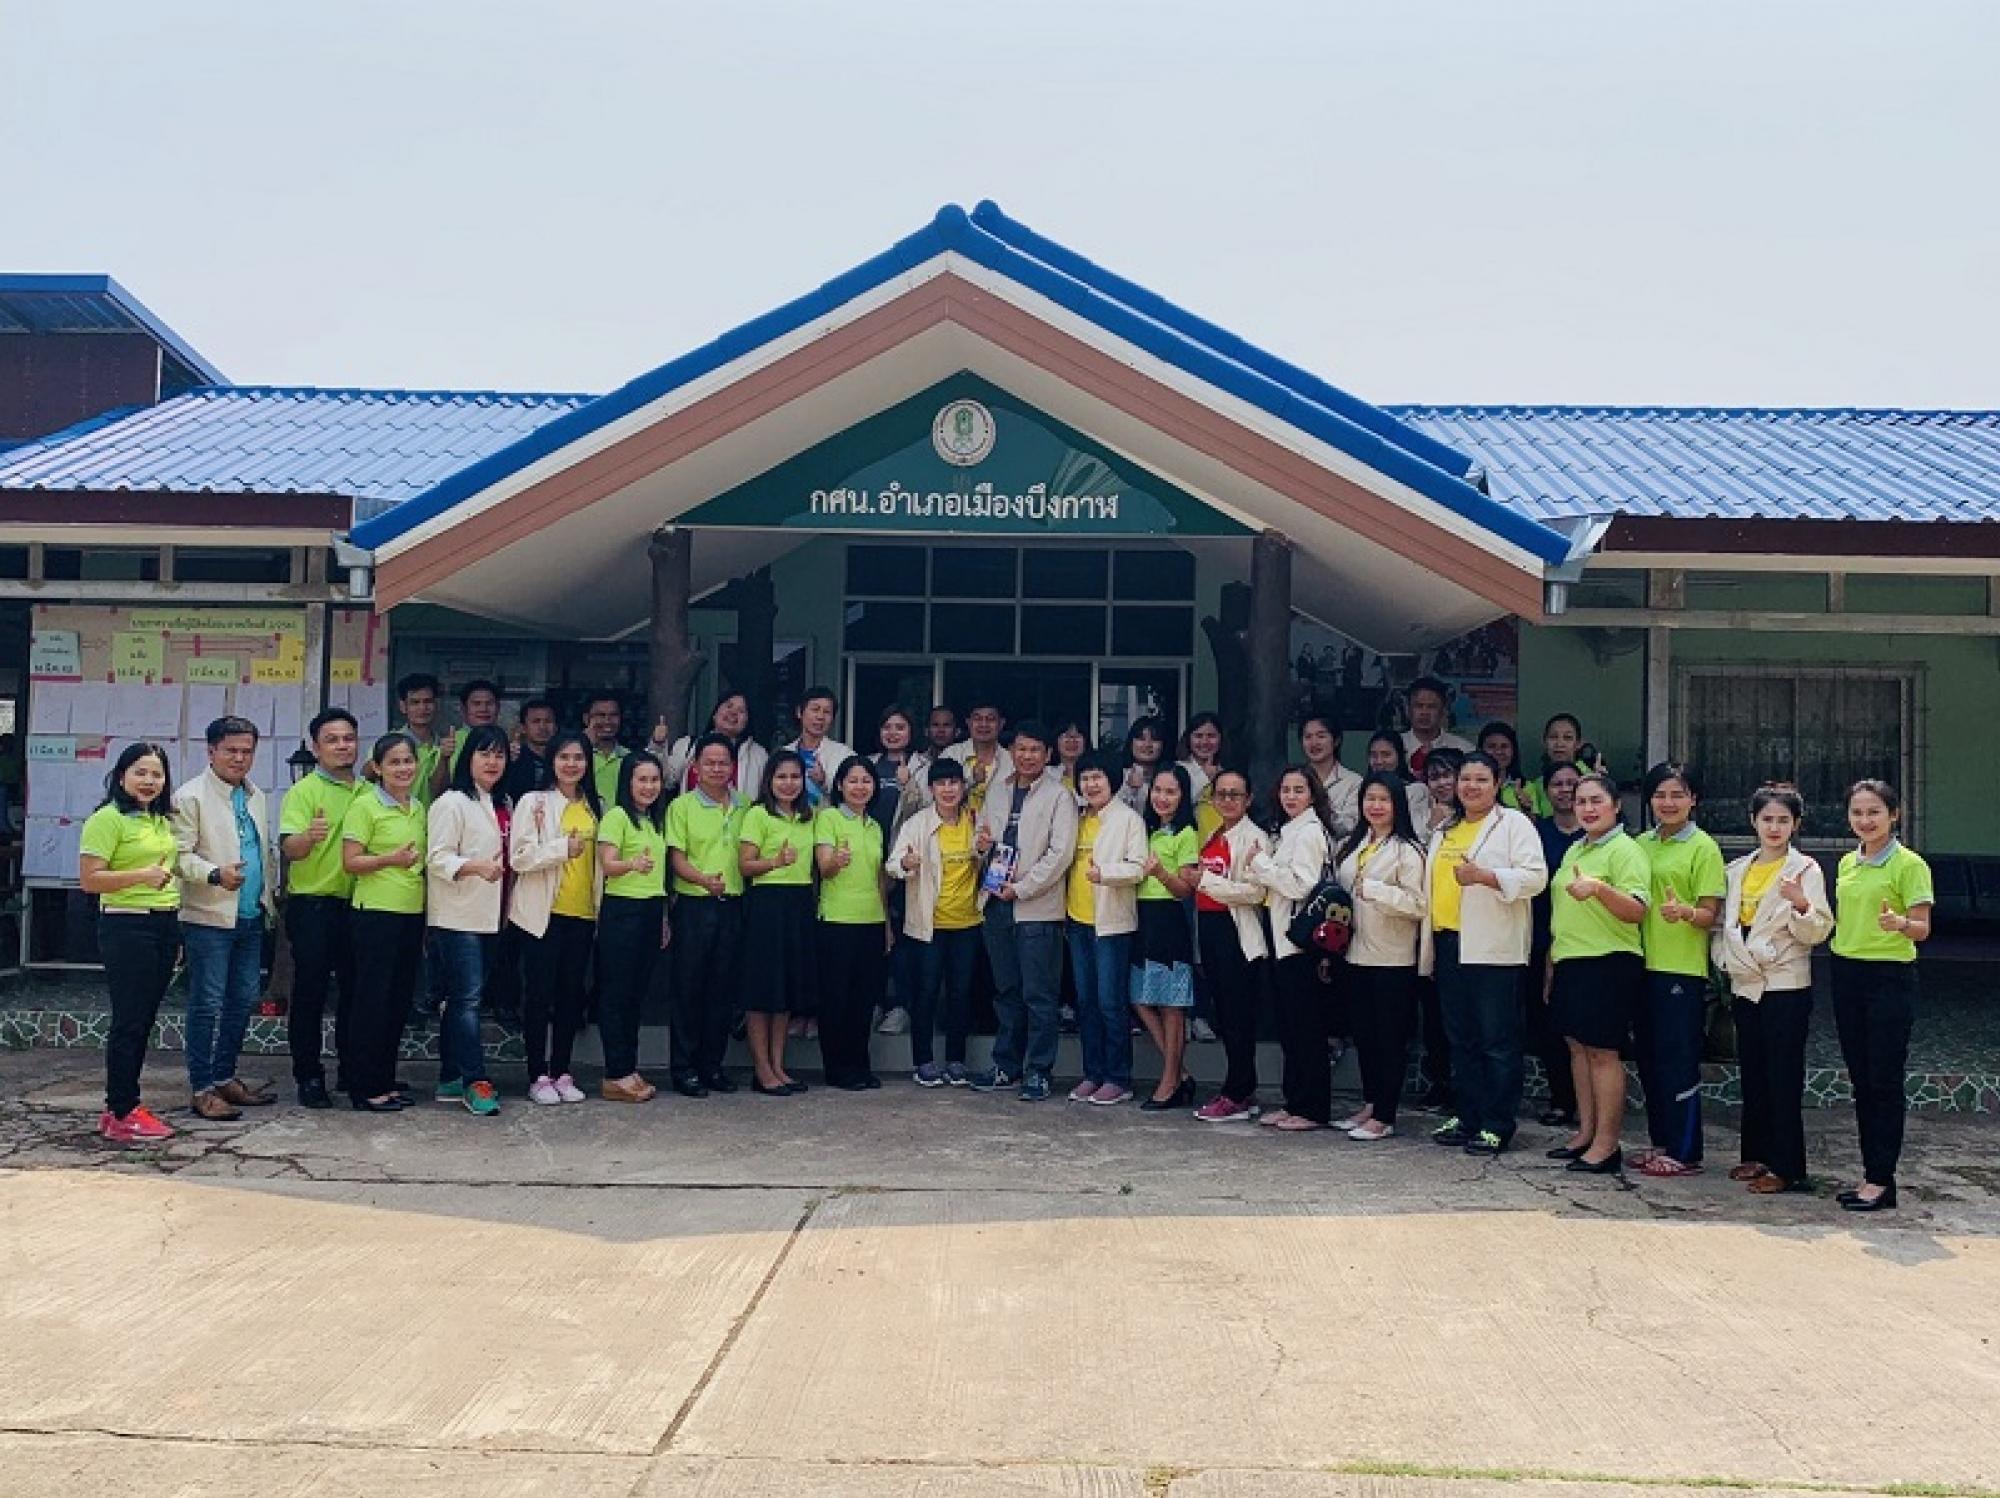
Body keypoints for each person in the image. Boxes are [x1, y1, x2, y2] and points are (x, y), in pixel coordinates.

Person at [1420, 751, 1548, 1156]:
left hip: (1493, 947)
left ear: (1497, 784)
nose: (1471, 787)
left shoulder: (1513, 824)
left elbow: (1536, 878)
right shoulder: (1446, 828)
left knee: (1497, 1040)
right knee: (1461, 1039)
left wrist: (1486, 877)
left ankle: (1497, 1123)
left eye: (1481, 780)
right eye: (1465, 779)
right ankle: (1468, 1115)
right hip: (1449, 941)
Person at [1712, 785, 1833, 1195]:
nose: (1774, 827)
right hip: (1746, 982)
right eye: (1767, 819)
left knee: (1783, 1076)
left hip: (1785, 984)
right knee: (1754, 1072)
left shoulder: (1806, 870)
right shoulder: (1736, 869)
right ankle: (1756, 1154)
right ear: (1753, 821)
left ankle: (1787, 1166)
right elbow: (1723, 926)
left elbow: (1817, 931)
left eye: (1783, 820)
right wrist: (1725, 959)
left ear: (1796, 825)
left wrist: (1801, 904)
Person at [1829, 779, 1933, 1213]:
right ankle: (1870, 1174)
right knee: (1860, 1079)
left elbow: (1922, 928)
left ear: (1894, 815)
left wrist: (1901, 925)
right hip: (1846, 972)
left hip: (1889, 976)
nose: (1865, 820)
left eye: (1874, 812)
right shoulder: (1847, 863)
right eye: (1857, 812)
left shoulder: (1910, 865)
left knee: (1883, 1080)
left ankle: (1881, 1180)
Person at [173, 714, 278, 1122]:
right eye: (231, 750)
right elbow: (178, 856)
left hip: (250, 915)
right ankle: (202, 1088)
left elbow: (262, 851)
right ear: (211, 751)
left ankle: (224, 1077)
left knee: (243, 1000)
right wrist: (214, 874)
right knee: (207, 1003)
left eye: (247, 751)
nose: (239, 758)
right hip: (208, 917)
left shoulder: (256, 795)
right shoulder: (190, 797)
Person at [1546, 773, 1651, 1174]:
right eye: (1581, 802)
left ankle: (1607, 1145)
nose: (1588, 809)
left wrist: (1600, 889)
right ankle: (1586, 1133)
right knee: (1577, 1047)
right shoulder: (1576, 848)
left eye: (1596, 801)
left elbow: (1637, 910)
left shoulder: (1626, 850)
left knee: (1603, 1052)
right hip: (1570, 959)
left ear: (1616, 806)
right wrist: (1552, 963)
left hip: (1609, 961)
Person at [968, 721, 1078, 1101]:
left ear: (1048, 755)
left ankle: (1039, 1070)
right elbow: (981, 837)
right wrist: (980, 845)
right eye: (1021, 749)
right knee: (1007, 991)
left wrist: (1023, 888)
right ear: (1011, 751)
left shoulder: (1059, 796)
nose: (1027, 756)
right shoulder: (997, 789)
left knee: (1039, 995)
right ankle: (1006, 1066)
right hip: (996, 903)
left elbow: (1060, 854)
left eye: (1035, 750)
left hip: (1038, 909)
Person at [1631, 762, 1728, 1178]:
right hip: (1641, 964)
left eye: (1677, 794)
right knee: (1650, 1059)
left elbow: (1710, 914)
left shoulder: (1703, 847)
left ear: (1693, 799)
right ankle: (1660, 1143)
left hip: (1680, 970)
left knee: (1678, 1060)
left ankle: (1685, 1152)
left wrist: (1684, 912)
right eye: (1660, 795)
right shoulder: (1640, 844)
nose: (1668, 803)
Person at [81, 742, 181, 1143]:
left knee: (144, 1018)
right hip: (127, 924)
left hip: (163, 922)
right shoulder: (107, 819)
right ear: (121, 775)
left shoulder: (159, 820)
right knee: (130, 1019)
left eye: (157, 774)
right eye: (140, 772)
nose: (149, 781)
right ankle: (122, 1108)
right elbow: (90, 880)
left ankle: (121, 1107)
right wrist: (140, 876)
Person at [1333, 771, 1428, 1140]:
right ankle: (1371, 1104)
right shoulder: (1353, 844)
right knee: (1365, 1037)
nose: (1375, 806)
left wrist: (1376, 890)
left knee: (1389, 1040)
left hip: (1392, 959)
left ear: (1397, 805)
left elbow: (1419, 905)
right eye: (1369, 799)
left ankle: (1386, 1115)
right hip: (1354, 955)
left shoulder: (1408, 850)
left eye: (1383, 800)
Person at [508, 732, 601, 1106]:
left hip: (582, 913)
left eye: (578, 757)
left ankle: (562, 1071)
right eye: (564, 757)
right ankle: (537, 1075)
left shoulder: (595, 806)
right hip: (543, 914)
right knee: (539, 995)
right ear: (551, 761)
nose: (571, 764)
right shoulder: (534, 802)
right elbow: (519, 857)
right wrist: (562, 848)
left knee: (570, 996)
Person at [340, 733, 428, 1112]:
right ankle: (363, 1086)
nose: (403, 768)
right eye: (394, 762)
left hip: (410, 914)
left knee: (397, 1001)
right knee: (372, 1001)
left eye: (408, 761)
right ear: (377, 767)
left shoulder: (418, 807)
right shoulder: (365, 806)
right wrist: (390, 859)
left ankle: (385, 1078)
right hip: (375, 914)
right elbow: (351, 861)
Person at [278, 708, 361, 1108]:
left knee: (355, 991)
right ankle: (308, 1075)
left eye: (348, 738)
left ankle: (352, 1069)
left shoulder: (369, 791)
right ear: (316, 747)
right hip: (313, 905)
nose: (342, 746)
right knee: (311, 992)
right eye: (332, 740)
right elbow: (289, 848)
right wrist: (309, 837)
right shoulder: (304, 791)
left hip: (359, 905)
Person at [424, 725, 508, 1116]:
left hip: (490, 915)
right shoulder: (451, 802)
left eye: (499, 755)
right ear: (467, 758)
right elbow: (437, 858)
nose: (493, 762)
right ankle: (476, 1081)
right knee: (468, 1001)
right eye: (484, 753)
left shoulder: (500, 802)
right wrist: (475, 867)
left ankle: (451, 1077)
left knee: (461, 999)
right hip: (457, 917)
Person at [1248, 766, 1338, 1132]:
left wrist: (1261, 864)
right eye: (1285, 789)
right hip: (1283, 940)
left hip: (1302, 944)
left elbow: (1302, 886)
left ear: (1312, 794)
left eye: (1298, 790)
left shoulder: (1310, 832)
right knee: (1290, 1027)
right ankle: (1294, 1101)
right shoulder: (1289, 831)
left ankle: (1312, 1108)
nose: (1290, 796)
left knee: (1306, 1029)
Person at [890, 759, 983, 1086]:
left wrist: (984, 851)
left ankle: (956, 1061)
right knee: (926, 992)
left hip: (968, 923)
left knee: (961, 993)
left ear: (963, 787)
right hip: (928, 924)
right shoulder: (917, 823)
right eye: (941, 784)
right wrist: (906, 863)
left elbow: (989, 862)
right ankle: (924, 1061)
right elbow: (892, 864)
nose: (948, 790)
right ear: (931, 789)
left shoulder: (975, 820)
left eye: (954, 783)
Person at [1062, 752, 1146, 1105]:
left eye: (1097, 777)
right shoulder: (1077, 817)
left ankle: (1118, 1078)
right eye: (1085, 778)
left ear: (1112, 780)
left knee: (1111, 1003)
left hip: (1110, 924)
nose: (1090, 785)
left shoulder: (1128, 820)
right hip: (1077, 921)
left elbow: (1139, 867)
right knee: (1086, 1003)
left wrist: (1105, 874)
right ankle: (1092, 1074)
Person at [1191, 769, 1274, 1123]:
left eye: (1235, 794)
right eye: (1221, 794)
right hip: (1211, 928)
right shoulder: (1216, 833)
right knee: (1224, 1013)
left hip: (1236, 932)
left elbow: (1256, 892)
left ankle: (1238, 1092)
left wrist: (1206, 881)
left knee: (1238, 1015)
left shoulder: (1254, 838)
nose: (1227, 800)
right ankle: (1240, 1086)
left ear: (1248, 799)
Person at [666, 733, 746, 1096]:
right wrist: (703, 880)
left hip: (733, 906)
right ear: (695, 766)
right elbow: (677, 859)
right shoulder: (681, 806)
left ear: (733, 767)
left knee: (723, 990)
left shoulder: (745, 806)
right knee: (688, 989)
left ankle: (712, 1066)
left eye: (723, 762)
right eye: (709, 762)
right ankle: (684, 1069)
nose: (716, 768)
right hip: (695, 906)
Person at [737, 750, 818, 1094]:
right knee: (762, 990)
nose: (789, 784)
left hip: (799, 904)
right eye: (781, 777)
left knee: (785, 991)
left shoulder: (809, 817)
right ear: (769, 780)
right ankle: (761, 1070)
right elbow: (744, 865)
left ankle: (778, 1065)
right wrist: (775, 862)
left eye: (795, 777)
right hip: (767, 905)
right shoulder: (758, 815)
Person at [596, 753, 670, 1103]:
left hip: (651, 910)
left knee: (636, 995)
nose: (649, 787)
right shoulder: (617, 816)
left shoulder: (654, 821)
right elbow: (608, 865)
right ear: (628, 782)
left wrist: (664, 918)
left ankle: (629, 1067)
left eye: (654, 780)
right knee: (617, 994)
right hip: (623, 911)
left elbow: (658, 877)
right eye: (642, 780)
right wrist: (632, 864)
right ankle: (616, 1072)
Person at [1130, 764, 1203, 1111]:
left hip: (1169, 920)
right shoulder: (1144, 828)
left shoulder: (1186, 833)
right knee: (1140, 998)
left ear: (1183, 797)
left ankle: (1169, 1081)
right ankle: (1181, 1074)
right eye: (1157, 790)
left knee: (1172, 1005)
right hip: (1142, 918)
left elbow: (1186, 890)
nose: (1162, 798)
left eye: (1171, 792)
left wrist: (1160, 872)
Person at [816, 756, 890, 1091]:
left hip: (871, 920)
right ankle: (837, 1068)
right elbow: (824, 868)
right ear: (840, 785)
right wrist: (836, 861)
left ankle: (860, 1065)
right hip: (837, 920)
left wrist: (886, 924)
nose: (860, 787)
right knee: (837, 998)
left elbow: (879, 879)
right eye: (853, 781)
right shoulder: (829, 817)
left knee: (864, 998)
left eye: (866, 781)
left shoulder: (874, 826)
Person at [1527, 762, 1585, 1128]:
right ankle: (1561, 1099)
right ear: (1546, 791)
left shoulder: (1596, 835)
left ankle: (1589, 1106)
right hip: (1540, 938)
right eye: (1557, 784)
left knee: (1583, 1027)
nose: (1565, 790)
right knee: (1548, 1024)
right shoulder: (1536, 832)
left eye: (1572, 783)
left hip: (1585, 942)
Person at [869, 706, 925, 1038]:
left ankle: (901, 1006)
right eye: (887, 726)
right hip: (867, 862)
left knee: (902, 939)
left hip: (905, 865)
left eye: (900, 727)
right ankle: (875, 1001)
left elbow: (927, 812)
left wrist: (909, 785)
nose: (893, 733)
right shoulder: (868, 764)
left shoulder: (922, 766)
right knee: (874, 935)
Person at [665, 691, 769, 798]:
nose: (733, 712)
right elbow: (666, 780)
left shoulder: (759, 755)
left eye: (741, 711)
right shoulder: (688, 745)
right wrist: (658, 746)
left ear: (747, 721)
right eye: (729, 706)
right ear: (714, 714)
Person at [787, 685, 853, 811]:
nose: (820, 716)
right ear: (799, 712)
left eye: (827, 712)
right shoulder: (785, 753)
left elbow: (855, 798)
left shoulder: (845, 755)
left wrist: (824, 782)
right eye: (815, 709)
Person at [943, 701, 1011, 813]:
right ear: (968, 722)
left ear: (1001, 724)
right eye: (977, 719)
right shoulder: (951, 755)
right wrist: (972, 781)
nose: (983, 724)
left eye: (990, 719)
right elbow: (939, 797)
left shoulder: (1011, 761)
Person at [1302, 714, 1363, 839]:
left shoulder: (1353, 782)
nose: (1314, 743)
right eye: (1308, 737)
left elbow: (1350, 825)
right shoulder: (1293, 780)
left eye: (1321, 736)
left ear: (1336, 741)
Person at [393, 673, 447, 805]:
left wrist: (444, 757)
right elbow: (367, 777)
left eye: (428, 701)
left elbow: (441, 791)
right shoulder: (390, 743)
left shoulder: (447, 745)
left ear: (437, 704)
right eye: (415, 702)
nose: (422, 708)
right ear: (403, 706)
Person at [1401, 676, 1472, 775]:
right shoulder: (1393, 747)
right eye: (1419, 706)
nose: (1424, 712)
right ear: (1408, 710)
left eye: (1431, 706)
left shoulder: (1465, 750)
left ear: (1443, 711)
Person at [1519, 714, 1584, 818]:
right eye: (1553, 737)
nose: (1559, 743)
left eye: (1567, 738)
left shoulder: (1592, 778)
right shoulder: (1537, 785)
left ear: (1578, 743)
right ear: (1544, 742)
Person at [1366, 730, 1431, 829]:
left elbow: (1417, 830)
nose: (1379, 761)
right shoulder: (1364, 788)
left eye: (1386, 755)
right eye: (1374, 755)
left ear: (1400, 756)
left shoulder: (1416, 790)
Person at [444, 679, 503, 780]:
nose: (483, 709)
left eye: (489, 703)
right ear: (463, 708)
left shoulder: (504, 741)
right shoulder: (450, 742)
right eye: (476, 704)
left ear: (498, 708)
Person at [504, 697, 560, 800]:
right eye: (536, 721)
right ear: (523, 728)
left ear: (556, 727)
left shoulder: (564, 759)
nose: (542, 727)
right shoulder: (513, 758)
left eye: (548, 721)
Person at [1116, 715, 1171, 814]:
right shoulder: (1117, 775)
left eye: (1154, 739)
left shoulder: (1171, 777)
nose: (1147, 744)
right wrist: (1130, 789)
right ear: (1131, 742)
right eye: (1141, 739)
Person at [583, 693, 629, 808]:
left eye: (613, 715)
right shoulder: (576, 758)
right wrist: (584, 744)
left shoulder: (628, 757)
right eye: (601, 715)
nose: (607, 721)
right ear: (586, 719)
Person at [1478, 722, 1527, 809]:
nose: (1498, 752)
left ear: (1513, 751)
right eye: (1491, 746)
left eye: (1504, 746)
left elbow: (1532, 818)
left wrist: (1526, 808)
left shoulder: (1526, 787)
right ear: (1480, 750)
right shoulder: (1471, 785)